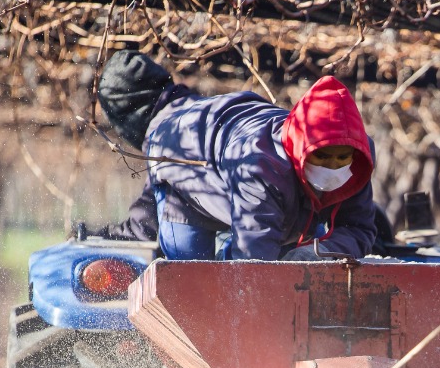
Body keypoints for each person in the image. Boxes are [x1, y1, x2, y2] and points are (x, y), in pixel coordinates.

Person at [96, 50, 378, 261]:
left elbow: (358, 228)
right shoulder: (261, 166)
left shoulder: (358, 156)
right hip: (188, 190)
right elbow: (252, 263)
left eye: (342, 159)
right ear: (301, 149)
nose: (333, 168)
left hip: (238, 160)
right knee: (192, 283)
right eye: (322, 158)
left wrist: (318, 254)